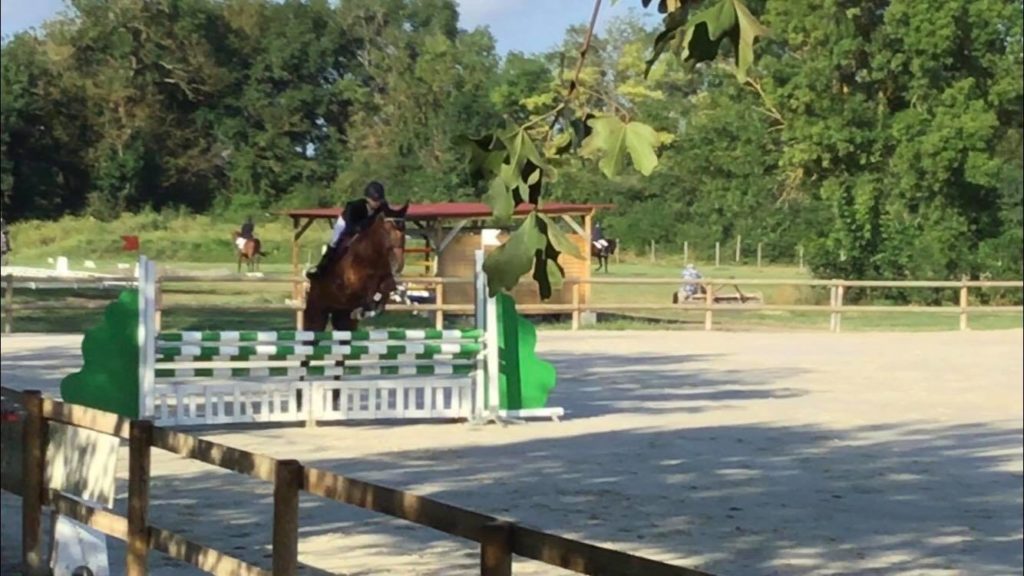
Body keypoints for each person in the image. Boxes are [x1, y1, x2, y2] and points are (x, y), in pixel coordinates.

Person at [306, 181, 389, 280]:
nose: (377, 203)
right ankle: (321, 269)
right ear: (367, 198)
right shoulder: (353, 207)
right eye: (374, 200)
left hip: (365, 228)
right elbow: (350, 227)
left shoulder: (382, 207)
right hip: (346, 224)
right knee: (335, 242)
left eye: (379, 200)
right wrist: (367, 223)